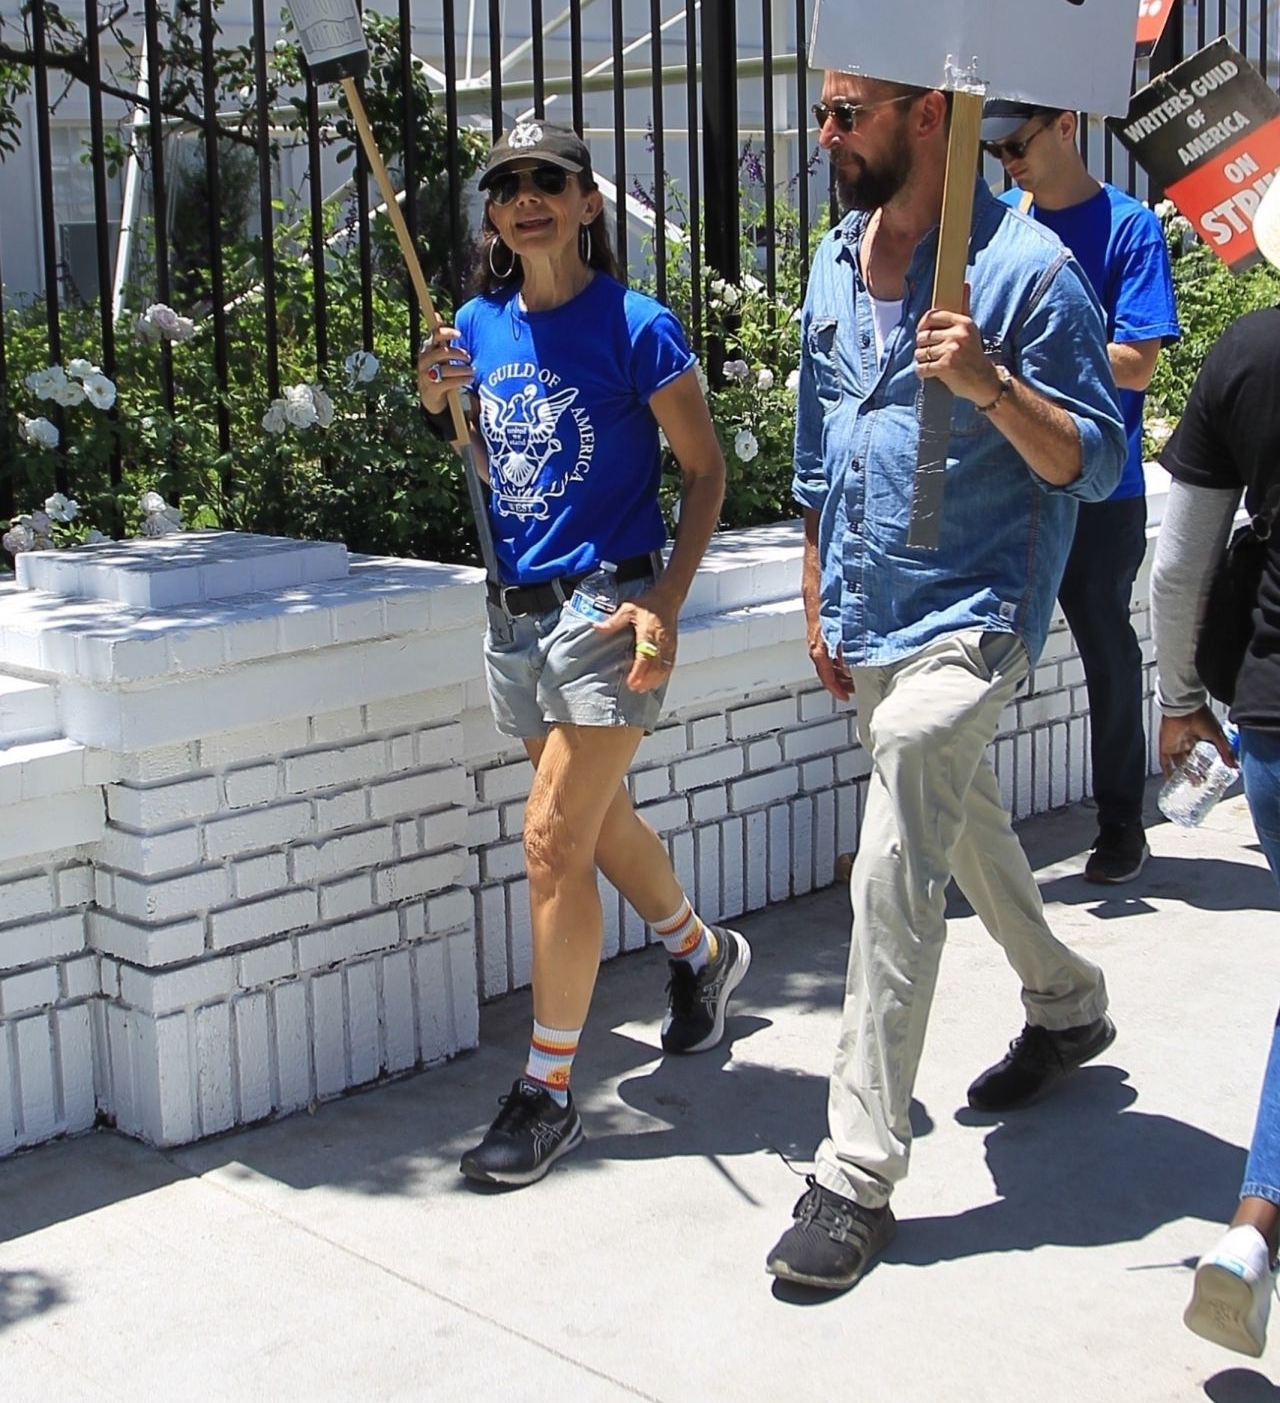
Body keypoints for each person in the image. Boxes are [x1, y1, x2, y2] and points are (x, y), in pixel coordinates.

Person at [766, 74, 1127, 1292]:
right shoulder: (831, 260)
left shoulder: (1025, 274)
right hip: (869, 610)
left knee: (902, 819)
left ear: (930, 116)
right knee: (956, 817)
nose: (823, 136)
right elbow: (820, 445)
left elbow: (1088, 462)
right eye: (821, 112)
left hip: (975, 613)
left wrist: (988, 385)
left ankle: (855, 1168)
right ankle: (1066, 1001)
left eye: (845, 113)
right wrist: (818, 592)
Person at [417, 119, 745, 1189]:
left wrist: (666, 599)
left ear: (587, 203)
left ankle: (548, 1093)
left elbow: (704, 473)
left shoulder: (637, 327)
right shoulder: (475, 322)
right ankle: (702, 954)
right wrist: (438, 402)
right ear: (493, 217)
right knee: (595, 827)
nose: (525, 198)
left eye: (546, 181)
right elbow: (484, 455)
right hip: (514, 613)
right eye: (506, 185)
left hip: (606, 610)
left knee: (550, 840)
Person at [981, 99, 1180, 884]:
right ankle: (966, 836)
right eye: (994, 150)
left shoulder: (1129, 227)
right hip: (1007, 481)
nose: (1006, 162)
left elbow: (1137, 360)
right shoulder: (999, 221)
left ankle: (1122, 823)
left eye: (1016, 144)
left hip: (1101, 483)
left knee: (1106, 650)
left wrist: (1036, 354)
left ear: (1067, 125)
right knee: (978, 654)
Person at [1151, 185, 1280, 1357]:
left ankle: (1248, 1233)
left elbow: (1178, 562)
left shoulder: (1246, 352)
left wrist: (1176, 701)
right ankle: (1251, 1230)